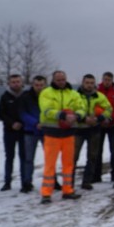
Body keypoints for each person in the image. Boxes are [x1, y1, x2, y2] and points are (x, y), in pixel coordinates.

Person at [38, 71, 85, 204]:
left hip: (68, 133)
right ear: (53, 80)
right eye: (58, 80)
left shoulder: (73, 93)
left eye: (63, 79)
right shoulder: (46, 93)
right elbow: (46, 110)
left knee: (68, 164)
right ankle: (46, 193)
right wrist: (63, 115)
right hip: (52, 133)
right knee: (50, 164)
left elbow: (81, 107)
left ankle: (68, 190)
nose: (61, 82)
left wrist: (77, 116)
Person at [73, 74, 113, 190]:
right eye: (87, 83)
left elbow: (109, 109)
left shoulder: (100, 96)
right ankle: (69, 181)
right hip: (78, 129)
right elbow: (71, 109)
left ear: (94, 84)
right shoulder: (75, 96)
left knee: (92, 156)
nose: (89, 85)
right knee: (73, 157)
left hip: (94, 129)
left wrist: (99, 118)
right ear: (83, 83)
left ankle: (87, 181)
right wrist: (83, 118)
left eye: (91, 83)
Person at [92, 71, 114, 184]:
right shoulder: (95, 93)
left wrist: (110, 118)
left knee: (113, 150)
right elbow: (93, 107)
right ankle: (96, 175)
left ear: (112, 81)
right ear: (102, 79)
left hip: (112, 125)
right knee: (97, 151)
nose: (107, 82)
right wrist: (100, 119)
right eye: (105, 79)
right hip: (98, 125)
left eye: (109, 80)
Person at [19, 75, 47, 193]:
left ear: (45, 85)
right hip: (30, 131)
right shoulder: (25, 97)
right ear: (32, 85)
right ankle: (27, 182)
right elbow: (22, 113)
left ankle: (52, 181)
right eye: (36, 85)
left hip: (46, 131)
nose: (39, 87)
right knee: (29, 158)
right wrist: (35, 123)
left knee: (49, 158)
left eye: (41, 85)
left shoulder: (49, 96)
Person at [0, 74, 26, 191]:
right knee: (9, 157)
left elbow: (28, 111)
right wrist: (12, 123)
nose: (16, 84)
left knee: (24, 157)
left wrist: (21, 123)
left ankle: (25, 182)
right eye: (13, 82)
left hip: (24, 131)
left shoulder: (26, 96)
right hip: (9, 131)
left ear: (22, 82)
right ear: (9, 83)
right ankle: (7, 182)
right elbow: (1, 114)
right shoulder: (5, 97)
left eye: (18, 81)